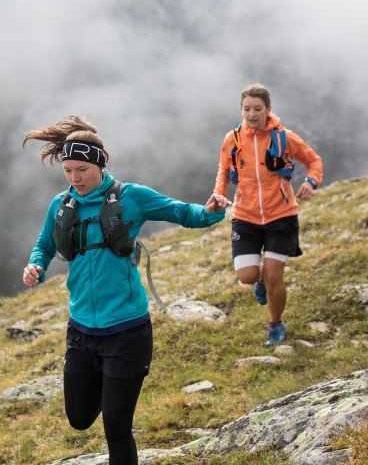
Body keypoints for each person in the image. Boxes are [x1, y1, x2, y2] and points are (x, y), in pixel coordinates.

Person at [21, 115, 229, 465]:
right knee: (79, 417)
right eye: (68, 170)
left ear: (99, 165)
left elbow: (181, 212)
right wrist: (36, 267)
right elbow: (43, 246)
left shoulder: (131, 197)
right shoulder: (61, 206)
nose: (75, 178)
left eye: (82, 170)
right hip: (81, 331)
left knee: (116, 428)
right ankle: (110, 381)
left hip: (127, 331)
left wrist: (209, 212)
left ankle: (118, 384)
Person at [213, 84, 323, 347]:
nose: (252, 114)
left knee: (275, 276)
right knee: (247, 276)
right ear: (241, 110)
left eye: (257, 109)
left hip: (281, 216)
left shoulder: (284, 137)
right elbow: (223, 170)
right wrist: (218, 194)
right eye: (247, 109)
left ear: (268, 109)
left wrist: (310, 181)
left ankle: (275, 323)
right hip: (245, 215)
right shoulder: (233, 139)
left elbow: (314, 161)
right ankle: (259, 279)